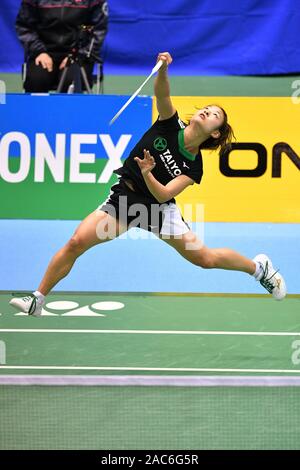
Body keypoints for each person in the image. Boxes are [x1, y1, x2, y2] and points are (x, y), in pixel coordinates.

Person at [9, 51, 286, 316]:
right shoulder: (169, 124)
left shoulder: (194, 167)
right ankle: (38, 299)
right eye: (207, 108)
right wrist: (164, 68)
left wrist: (148, 173)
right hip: (124, 202)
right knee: (75, 242)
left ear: (215, 133)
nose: (207, 111)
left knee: (205, 259)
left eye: (214, 115)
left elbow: (165, 194)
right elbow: (162, 92)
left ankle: (258, 268)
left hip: (158, 211)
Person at [15, 0, 108, 93]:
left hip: (78, 54)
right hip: (43, 53)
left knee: (71, 81)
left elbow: (98, 29)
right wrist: (39, 51)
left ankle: (69, 108)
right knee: (36, 80)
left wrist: (79, 54)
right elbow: (25, 26)